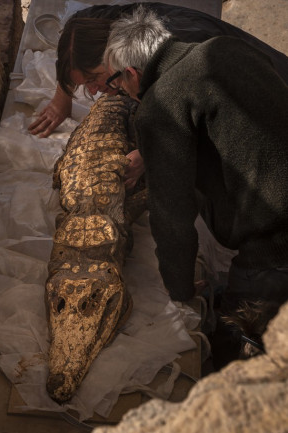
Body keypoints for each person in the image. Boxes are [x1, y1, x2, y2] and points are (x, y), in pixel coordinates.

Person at [102, 6, 288, 366]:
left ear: (131, 73)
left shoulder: (160, 105)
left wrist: (180, 287)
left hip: (276, 247)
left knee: (236, 356)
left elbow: (172, 214)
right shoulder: (224, 48)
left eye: (116, 83)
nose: (120, 91)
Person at [27, 3, 288, 189]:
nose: (93, 91)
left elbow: (208, 120)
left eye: (94, 79)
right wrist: (63, 97)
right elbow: (72, 35)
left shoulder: (178, 60)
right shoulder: (99, 26)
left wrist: (147, 155)